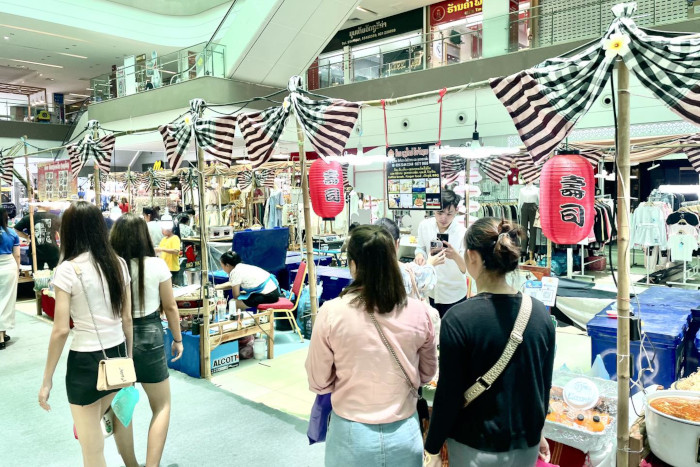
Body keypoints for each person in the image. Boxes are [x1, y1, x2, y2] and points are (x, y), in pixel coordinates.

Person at [423, 218, 555, 467]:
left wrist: (432, 447)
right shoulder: (540, 314)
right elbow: (542, 384)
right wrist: (538, 430)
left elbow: (448, 395)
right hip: (526, 444)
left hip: (473, 445)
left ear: (472, 256)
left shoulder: (458, 319)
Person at [306, 225, 438, 467]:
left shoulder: (331, 312)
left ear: (354, 264)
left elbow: (318, 381)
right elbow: (428, 373)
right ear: (392, 259)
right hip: (405, 432)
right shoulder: (420, 312)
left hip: (350, 435)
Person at [38, 201, 132, 467]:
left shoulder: (67, 270)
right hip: (116, 356)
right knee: (104, 425)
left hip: (85, 362)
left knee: (92, 450)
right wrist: (128, 357)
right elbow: (127, 319)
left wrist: (47, 381)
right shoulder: (119, 264)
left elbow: (60, 330)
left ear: (68, 232)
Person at [110, 213, 183, 467]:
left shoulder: (110, 267)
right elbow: (171, 307)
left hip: (116, 339)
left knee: (121, 408)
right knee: (162, 406)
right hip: (150, 334)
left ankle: (131, 465)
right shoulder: (157, 265)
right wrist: (178, 338)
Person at [414, 189, 468, 317]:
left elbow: (465, 269)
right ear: (434, 209)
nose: (444, 218)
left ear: (456, 210)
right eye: (440, 212)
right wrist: (419, 255)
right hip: (431, 290)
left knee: (454, 334)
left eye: (449, 213)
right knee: (435, 331)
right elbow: (420, 247)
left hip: (454, 294)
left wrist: (455, 255)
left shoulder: (463, 232)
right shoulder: (424, 226)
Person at [215, 250, 279, 310]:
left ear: (227, 265)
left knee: (233, 303)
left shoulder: (235, 272)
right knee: (240, 297)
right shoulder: (240, 266)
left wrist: (241, 294)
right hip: (272, 291)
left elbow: (236, 295)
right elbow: (232, 283)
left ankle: (238, 320)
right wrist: (216, 287)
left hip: (269, 295)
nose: (222, 268)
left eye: (222, 265)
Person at [14, 202, 60, 269]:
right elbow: (63, 230)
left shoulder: (29, 217)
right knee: (56, 275)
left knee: (37, 276)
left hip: (35, 251)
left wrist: (26, 237)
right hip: (52, 251)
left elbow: (16, 229)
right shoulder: (55, 217)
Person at [0, 206, 20, 349]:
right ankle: (1, 335)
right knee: (6, 301)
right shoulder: (12, 233)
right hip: (8, 266)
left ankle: (2, 334)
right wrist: (17, 270)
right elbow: (17, 255)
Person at [155, 219, 181, 286]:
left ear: (169, 229)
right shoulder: (164, 239)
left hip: (172, 269)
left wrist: (162, 249)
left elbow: (176, 251)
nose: (162, 231)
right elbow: (159, 251)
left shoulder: (175, 238)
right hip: (164, 268)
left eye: (163, 229)